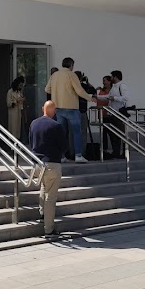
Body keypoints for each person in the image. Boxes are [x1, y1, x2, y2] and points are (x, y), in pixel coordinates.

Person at [45, 58, 96, 163]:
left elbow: (47, 89)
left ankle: (62, 156)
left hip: (58, 107)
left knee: (61, 133)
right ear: (71, 65)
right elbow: (79, 90)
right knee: (77, 132)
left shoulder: (54, 75)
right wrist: (90, 98)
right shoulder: (71, 75)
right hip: (71, 107)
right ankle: (78, 155)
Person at [29, 101, 68, 238]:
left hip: (37, 163)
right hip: (52, 163)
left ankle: (42, 214)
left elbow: (31, 141)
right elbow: (64, 146)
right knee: (50, 197)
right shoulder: (56, 126)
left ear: (42, 109)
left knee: (43, 187)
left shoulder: (34, 123)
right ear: (54, 111)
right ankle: (49, 229)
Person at [103, 70, 131, 159]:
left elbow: (125, 98)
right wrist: (97, 97)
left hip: (119, 113)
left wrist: (114, 98)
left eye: (112, 76)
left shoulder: (122, 86)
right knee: (114, 134)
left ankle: (125, 152)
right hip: (113, 113)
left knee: (121, 133)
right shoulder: (114, 87)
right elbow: (108, 97)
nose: (111, 78)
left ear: (115, 77)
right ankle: (116, 152)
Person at [96, 75, 113, 154]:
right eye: (103, 80)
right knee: (103, 133)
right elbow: (98, 99)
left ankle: (115, 149)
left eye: (105, 80)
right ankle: (104, 148)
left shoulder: (112, 91)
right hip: (101, 114)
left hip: (109, 114)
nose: (103, 82)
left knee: (111, 132)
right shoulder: (101, 90)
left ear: (109, 81)